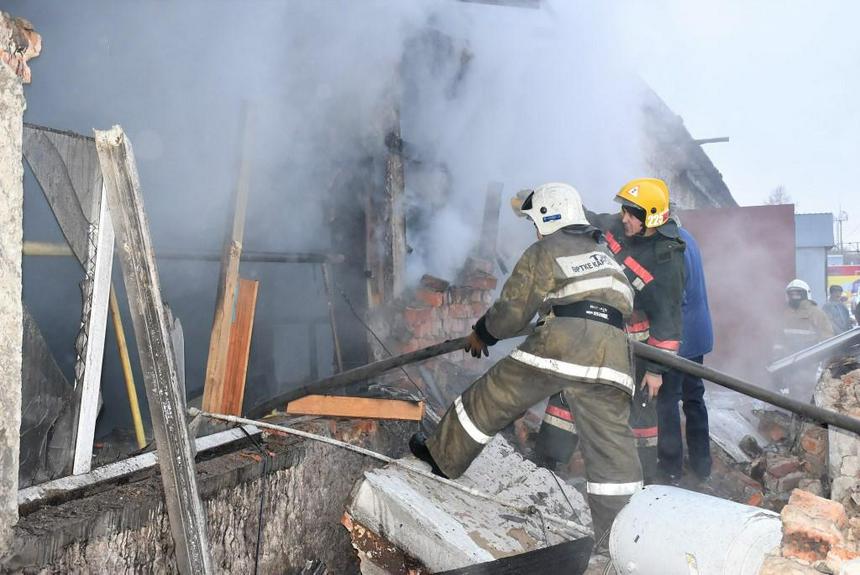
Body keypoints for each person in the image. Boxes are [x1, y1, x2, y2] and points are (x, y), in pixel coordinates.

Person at [409, 182, 642, 542]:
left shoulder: (546, 250)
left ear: (551, 217)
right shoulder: (605, 257)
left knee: (493, 394)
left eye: (536, 220)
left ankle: (442, 457)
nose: (534, 229)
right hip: (615, 353)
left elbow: (514, 311)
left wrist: (483, 333)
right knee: (612, 449)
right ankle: (625, 539)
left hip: (566, 342)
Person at [535, 178, 685, 483]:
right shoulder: (619, 226)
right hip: (594, 333)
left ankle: (641, 483)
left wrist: (656, 369)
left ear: (651, 218)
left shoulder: (667, 259)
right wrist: (546, 204)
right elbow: (588, 219)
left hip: (635, 351)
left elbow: (669, 319)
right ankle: (545, 468)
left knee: (638, 416)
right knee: (569, 393)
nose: (624, 218)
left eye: (631, 214)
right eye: (625, 211)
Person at [656, 224, 713, 485]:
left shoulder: (670, 246)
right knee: (694, 398)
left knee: (667, 402)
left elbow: (673, 298)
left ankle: (670, 470)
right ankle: (702, 466)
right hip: (697, 333)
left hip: (679, 338)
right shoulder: (687, 235)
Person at [773, 279, 834, 398]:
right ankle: (795, 414)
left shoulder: (817, 314)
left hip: (810, 362)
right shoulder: (784, 315)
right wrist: (776, 357)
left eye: (798, 293)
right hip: (789, 361)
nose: (794, 296)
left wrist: (823, 364)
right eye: (792, 294)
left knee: (809, 392)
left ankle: (808, 414)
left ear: (806, 294)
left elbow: (827, 340)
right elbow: (778, 339)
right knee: (793, 391)